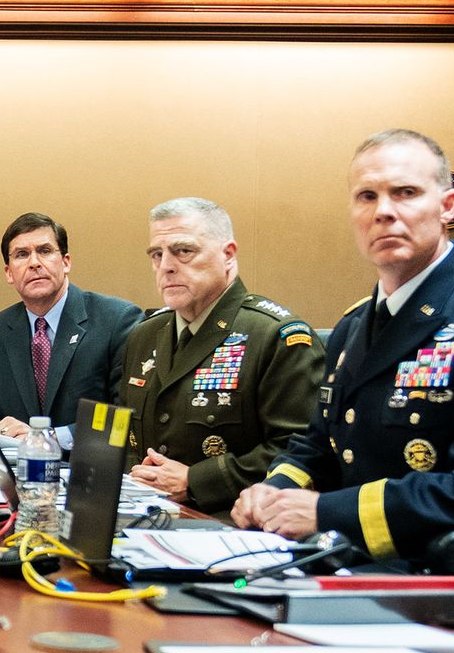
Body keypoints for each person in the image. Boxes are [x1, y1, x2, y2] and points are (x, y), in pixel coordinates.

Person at [234, 129, 454, 559]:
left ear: (447, 206)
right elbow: (318, 446)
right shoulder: (353, 326)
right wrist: (272, 492)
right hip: (341, 564)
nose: (384, 211)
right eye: (367, 196)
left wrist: (328, 512)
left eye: (405, 192)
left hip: (437, 584)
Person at [120, 198, 324, 514]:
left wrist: (195, 480)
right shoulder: (144, 334)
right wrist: (135, 474)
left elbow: (299, 450)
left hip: (231, 521)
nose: (167, 266)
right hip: (143, 515)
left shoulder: (274, 335)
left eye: (183, 251)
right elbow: (124, 431)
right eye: (157, 255)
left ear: (228, 255)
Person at [0, 212, 141, 449]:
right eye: (22, 255)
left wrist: (44, 438)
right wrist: (8, 436)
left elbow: (126, 414)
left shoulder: (116, 320)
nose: (34, 263)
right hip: (16, 470)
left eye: (45, 251)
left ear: (66, 262)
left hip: (87, 470)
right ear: (9, 273)